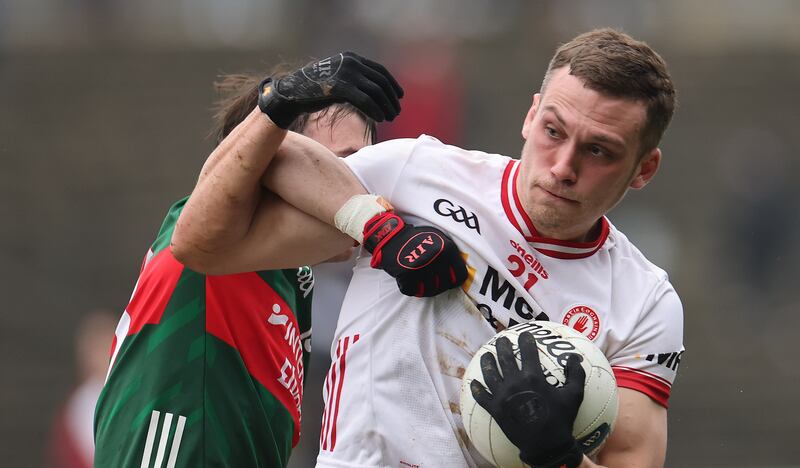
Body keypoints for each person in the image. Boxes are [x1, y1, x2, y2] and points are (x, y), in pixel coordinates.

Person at [173, 29, 683, 468]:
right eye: (553, 131)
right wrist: (373, 221)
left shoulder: (645, 302)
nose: (563, 166)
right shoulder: (415, 174)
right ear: (530, 118)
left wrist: (557, 456)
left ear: (645, 169)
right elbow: (201, 245)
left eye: (599, 151)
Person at [94, 53, 466, 468]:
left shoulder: (294, 279)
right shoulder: (211, 236)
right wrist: (279, 104)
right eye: (341, 163)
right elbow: (245, 170)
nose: (361, 186)